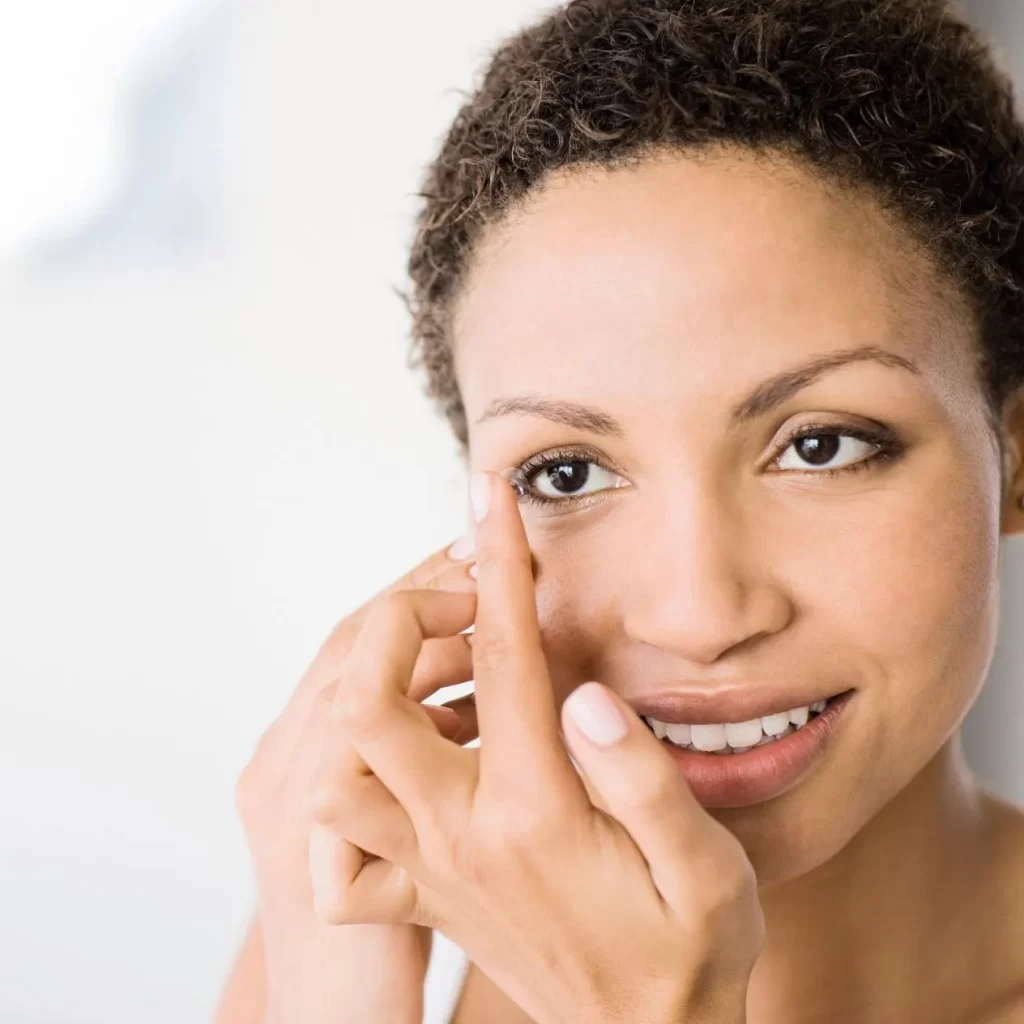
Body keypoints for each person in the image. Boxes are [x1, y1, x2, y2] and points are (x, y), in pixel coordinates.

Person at [213, 0, 1024, 1021]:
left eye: (819, 446)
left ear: (1015, 457)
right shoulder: (354, 944)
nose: (698, 612)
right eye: (565, 473)